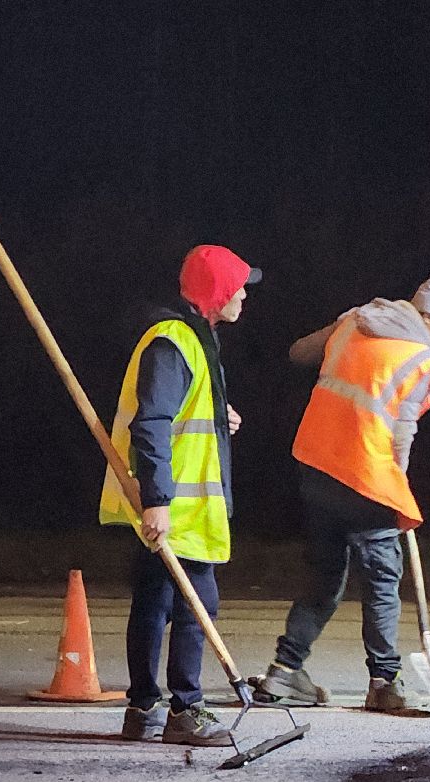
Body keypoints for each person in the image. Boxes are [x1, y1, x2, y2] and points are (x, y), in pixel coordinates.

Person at [254, 267, 430, 712]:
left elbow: (298, 354)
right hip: (366, 477)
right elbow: (401, 435)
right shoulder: (418, 359)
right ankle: (384, 682)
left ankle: (283, 673)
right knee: (382, 580)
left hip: (315, 463)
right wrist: (398, 493)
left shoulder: (356, 320)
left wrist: (341, 336)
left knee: (324, 575)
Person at [101, 244, 261, 744]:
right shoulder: (174, 341)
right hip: (177, 507)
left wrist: (217, 418)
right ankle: (185, 710)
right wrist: (157, 500)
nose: (243, 297)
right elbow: (151, 423)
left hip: (174, 502)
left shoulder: (192, 340)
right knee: (197, 604)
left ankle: (142, 708)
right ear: (217, 294)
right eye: (237, 287)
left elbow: (178, 415)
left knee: (153, 601)